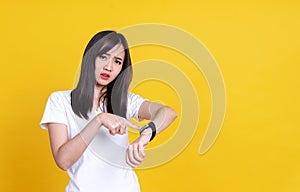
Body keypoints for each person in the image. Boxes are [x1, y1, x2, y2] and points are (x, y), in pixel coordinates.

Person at [40, 30, 177, 192]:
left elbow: (168, 112)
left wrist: (146, 134)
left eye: (117, 61)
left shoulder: (125, 101)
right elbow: (63, 160)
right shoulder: (60, 101)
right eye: (103, 56)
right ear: (90, 57)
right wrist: (99, 120)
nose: (109, 67)